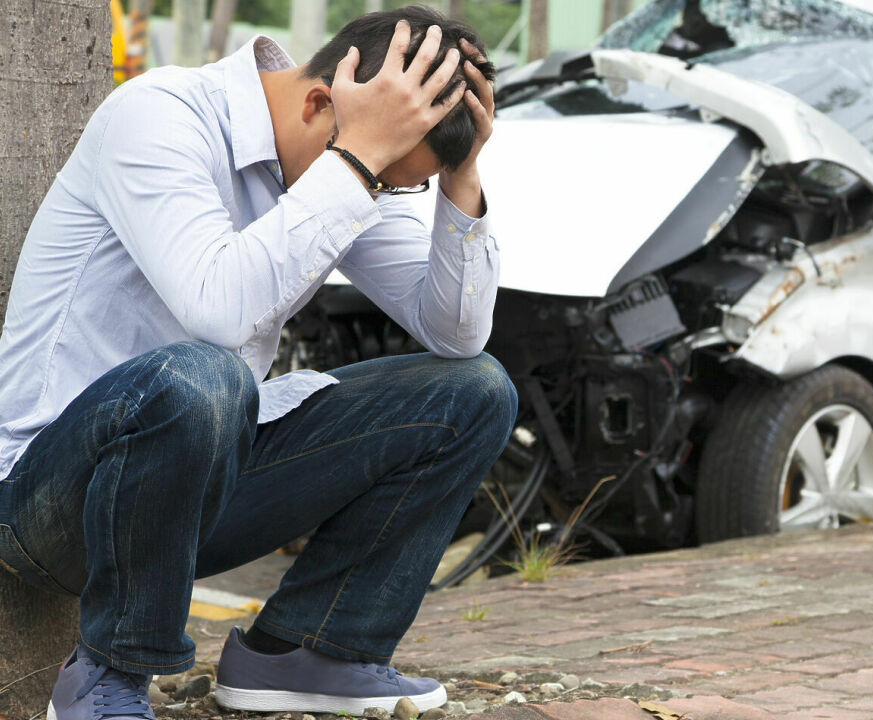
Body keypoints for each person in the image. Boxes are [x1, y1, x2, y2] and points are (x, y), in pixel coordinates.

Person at [0, 6, 514, 718]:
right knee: (202, 377)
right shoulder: (160, 115)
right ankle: (105, 679)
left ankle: (308, 652)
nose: (382, 193)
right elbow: (217, 307)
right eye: (389, 178)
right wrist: (358, 163)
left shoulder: (350, 157)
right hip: (52, 500)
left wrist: (461, 175)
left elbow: (457, 334)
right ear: (319, 103)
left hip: (194, 493)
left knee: (474, 391)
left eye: (397, 185)